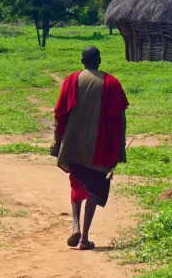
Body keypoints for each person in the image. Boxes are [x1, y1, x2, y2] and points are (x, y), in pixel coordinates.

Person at [49, 46, 128, 251]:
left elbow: (59, 113)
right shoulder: (111, 83)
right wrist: (120, 147)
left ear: (82, 61)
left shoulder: (72, 80)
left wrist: (58, 143)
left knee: (76, 183)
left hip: (74, 144)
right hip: (101, 147)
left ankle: (74, 225)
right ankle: (84, 237)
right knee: (93, 188)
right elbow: (120, 119)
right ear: (99, 60)